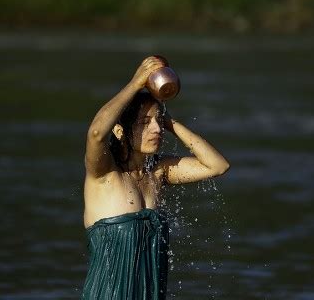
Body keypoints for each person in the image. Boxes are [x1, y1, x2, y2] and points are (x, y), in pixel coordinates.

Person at [82, 56, 230, 299]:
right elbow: (97, 133)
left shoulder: (158, 173)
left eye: (158, 122)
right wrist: (135, 84)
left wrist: (171, 122)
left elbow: (217, 166)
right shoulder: (104, 174)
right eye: (144, 122)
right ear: (120, 131)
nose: (156, 129)